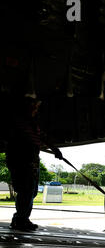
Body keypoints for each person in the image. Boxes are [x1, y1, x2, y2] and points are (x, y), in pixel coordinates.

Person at [6, 96, 63, 231]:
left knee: (31, 192)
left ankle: (22, 218)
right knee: (25, 191)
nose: (36, 110)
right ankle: (20, 220)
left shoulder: (32, 123)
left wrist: (55, 149)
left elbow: (42, 137)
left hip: (31, 161)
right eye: (34, 107)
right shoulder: (18, 121)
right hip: (22, 161)